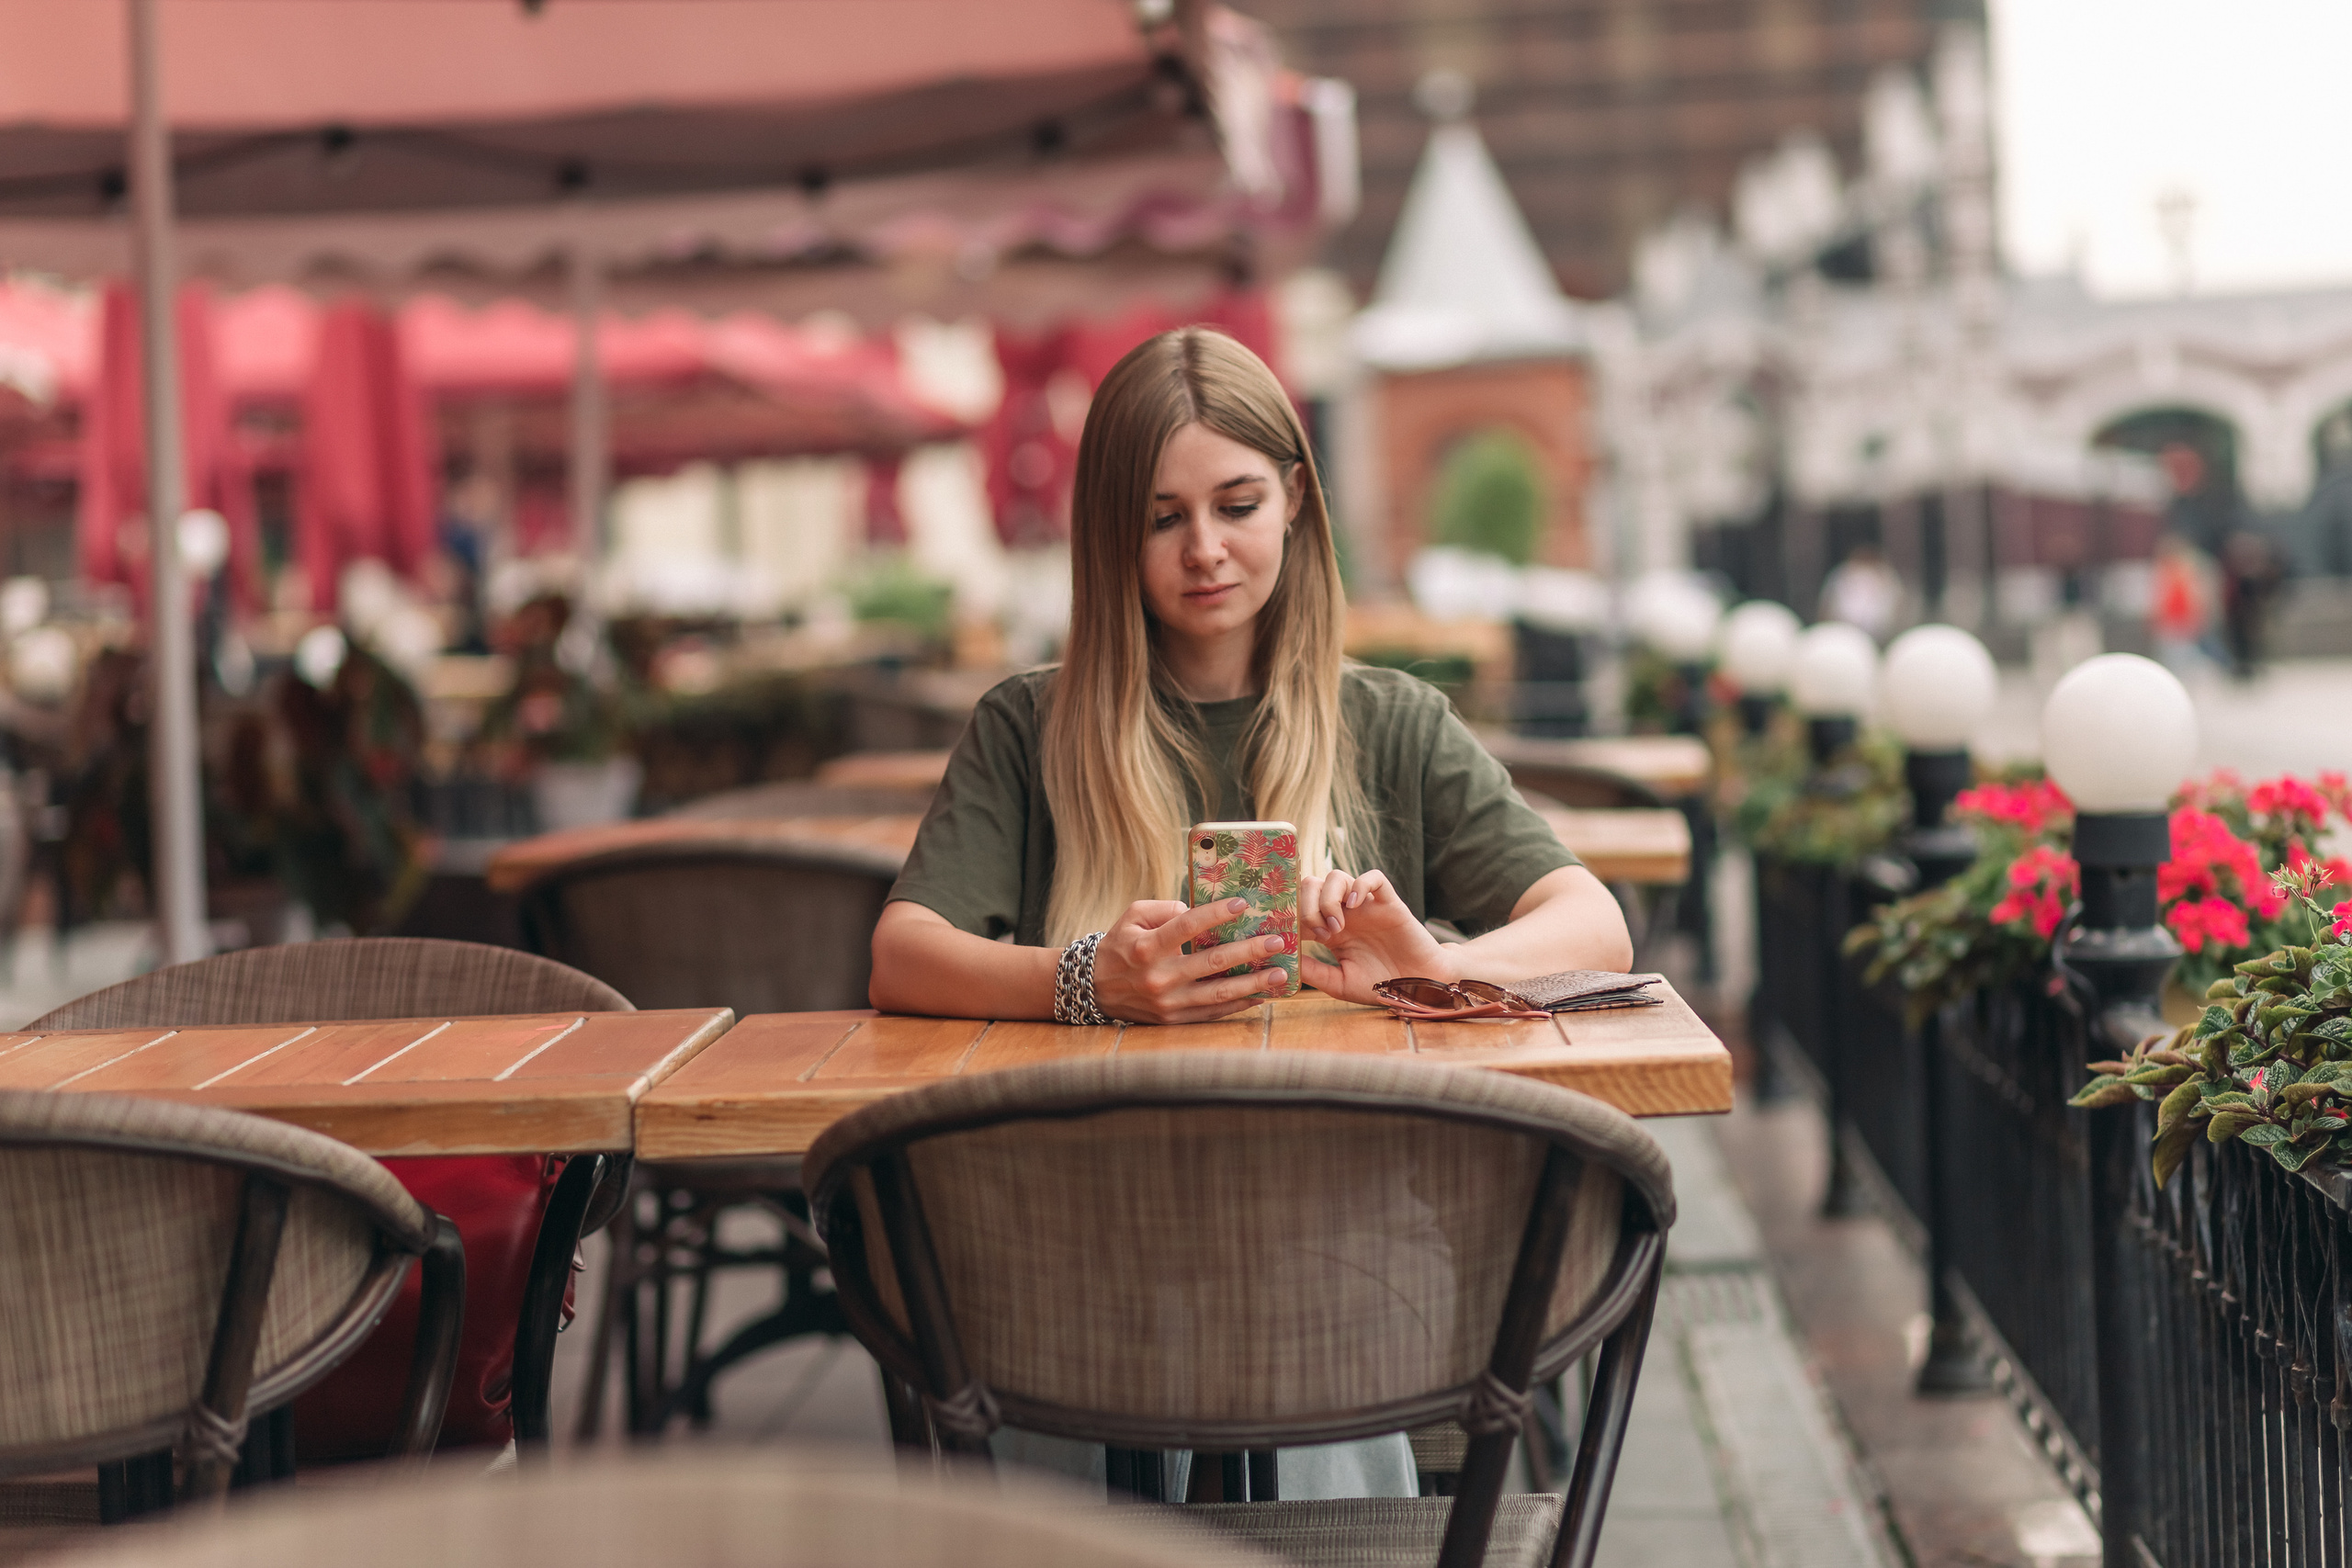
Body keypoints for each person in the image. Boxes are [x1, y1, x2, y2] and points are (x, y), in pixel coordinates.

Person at [868, 325, 1631, 1496]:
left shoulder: (1391, 722)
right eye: (1161, 516)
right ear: (1110, 536)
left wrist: (1422, 969)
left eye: (1236, 504)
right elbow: (904, 955)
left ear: (1295, 505)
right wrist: (1087, 980)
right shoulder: (1029, 727)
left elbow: (1591, 924)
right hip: (1080, 1278)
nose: (1205, 549)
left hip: (1329, 1278)